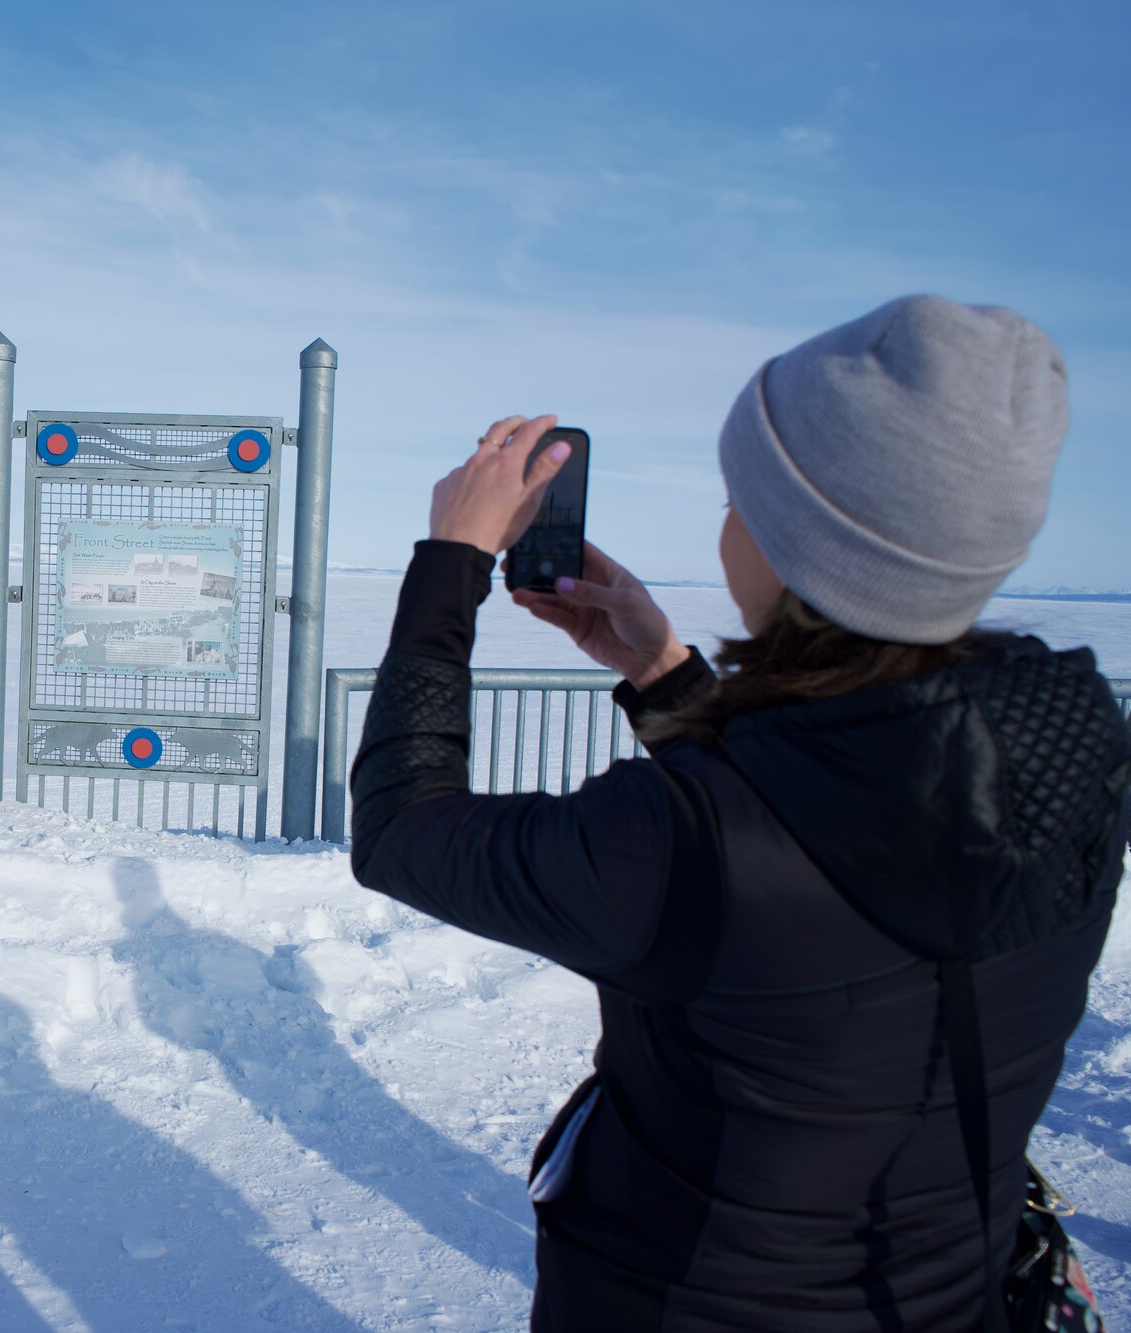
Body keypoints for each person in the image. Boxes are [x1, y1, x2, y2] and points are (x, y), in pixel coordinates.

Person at [350, 296, 1130, 1329]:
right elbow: (845, 815)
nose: (723, 525)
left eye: (735, 500)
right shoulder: (1071, 747)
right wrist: (662, 674)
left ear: (798, 541)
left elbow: (403, 829)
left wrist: (448, 562)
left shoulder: (679, 840)